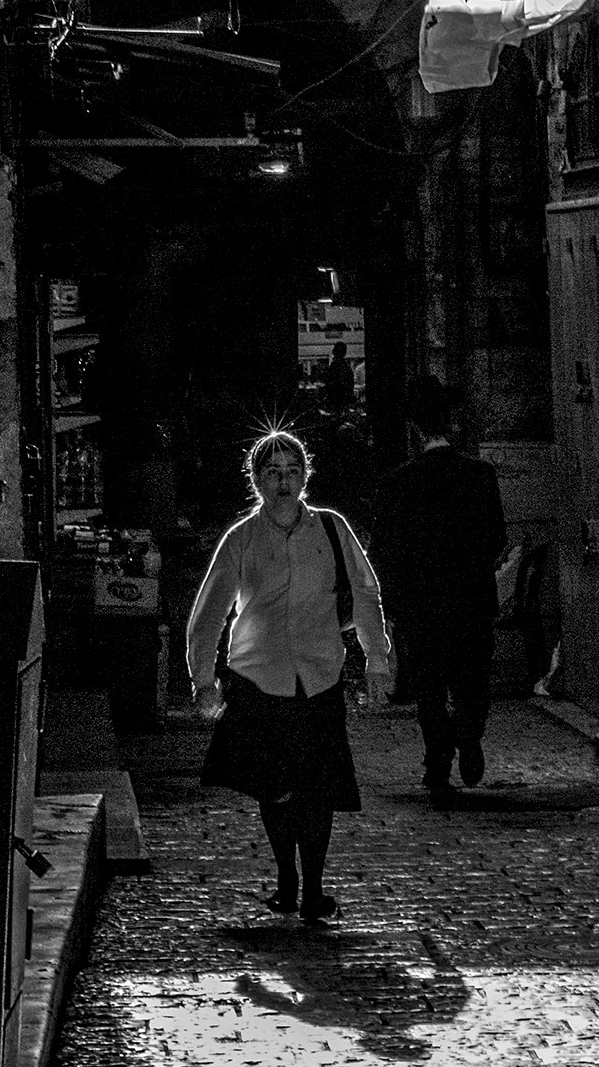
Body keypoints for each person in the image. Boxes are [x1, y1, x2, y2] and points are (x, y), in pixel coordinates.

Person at [186, 428, 390, 921]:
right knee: (276, 788)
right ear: (256, 480)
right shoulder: (242, 539)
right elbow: (210, 611)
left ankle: (315, 889)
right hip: (260, 680)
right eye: (272, 472)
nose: (283, 481)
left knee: (317, 790)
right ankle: (287, 880)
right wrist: (203, 679)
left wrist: (376, 660)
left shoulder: (331, 529)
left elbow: (365, 593)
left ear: (305, 476)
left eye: (292, 471)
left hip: (319, 676)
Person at [369, 375, 507, 808]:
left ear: (414, 429)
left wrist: (392, 602)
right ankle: (468, 733)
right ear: (452, 423)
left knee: (428, 687)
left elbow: (383, 551)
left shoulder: (396, 483)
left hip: (421, 604)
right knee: (473, 681)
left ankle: (437, 760)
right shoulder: (480, 476)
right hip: (470, 599)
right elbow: (496, 538)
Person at [323, 341, 355, 410]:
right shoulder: (346, 366)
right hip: (345, 398)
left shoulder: (335, 365)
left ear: (334, 351)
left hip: (336, 399)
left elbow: (332, 382)